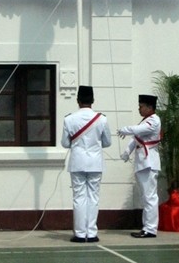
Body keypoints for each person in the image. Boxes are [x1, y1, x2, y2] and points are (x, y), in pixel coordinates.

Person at [61, 85, 112, 243]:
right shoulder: (101, 119)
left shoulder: (69, 119)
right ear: (93, 100)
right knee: (93, 197)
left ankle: (80, 233)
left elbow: (64, 143)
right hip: (95, 162)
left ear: (78, 100)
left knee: (79, 197)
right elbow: (107, 142)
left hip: (77, 161)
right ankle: (91, 233)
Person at [118, 94, 162, 239]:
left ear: (150, 107)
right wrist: (127, 152)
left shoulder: (154, 121)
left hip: (149, 162)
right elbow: (136, 138)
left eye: (141, 106)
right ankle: (147, 227)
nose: (139, 108)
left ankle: (150, 229)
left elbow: (137, 130)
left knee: (149, 196)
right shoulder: (147, 120)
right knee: (146, 196)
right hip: (143, 162)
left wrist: (125, 129)